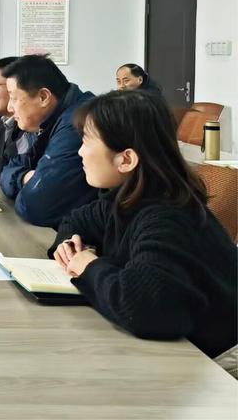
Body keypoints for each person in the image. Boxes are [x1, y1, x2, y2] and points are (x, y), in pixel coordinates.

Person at [50, 90, 237, 377]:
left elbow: (142, 309)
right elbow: (75, 221)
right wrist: (71, 246)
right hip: (188, 349)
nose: (80, 152)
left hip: (220, 363)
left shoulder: (167, 215)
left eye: (86, 141)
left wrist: (89, 266)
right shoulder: (126, 197)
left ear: (126, 159)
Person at [0, 55, 97, 228]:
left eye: (13, 98)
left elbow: (37, 206)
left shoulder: (76, 124)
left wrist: (26, 180)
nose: (9, 108)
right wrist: (24, 178)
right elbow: (9, 167)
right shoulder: (44, 121)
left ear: (43, 97)